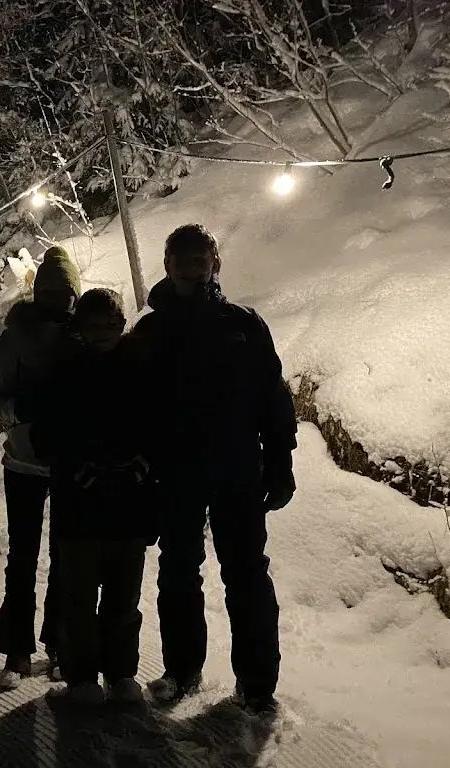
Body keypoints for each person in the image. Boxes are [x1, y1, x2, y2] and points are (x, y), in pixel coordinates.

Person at [134, 224, 297, 715]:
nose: (191, 268)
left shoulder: (244, 325)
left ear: (215, 264)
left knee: (246, 574)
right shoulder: (150, 332)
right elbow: (133, 409)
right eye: (181, 259)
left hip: (237, 469)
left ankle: (257, 685)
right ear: (167, 266)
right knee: (178, 572)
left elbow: (273, 397)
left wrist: (281, 460)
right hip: (174, 472)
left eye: (199, 258)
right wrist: (139, 472)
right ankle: (182, 671)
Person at [31, 288, 159, 706]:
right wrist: (76, 467)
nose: (103, 332)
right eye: (94, 324)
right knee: (79, 596)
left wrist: (144, 465)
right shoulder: (63, 372)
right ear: (80, 328)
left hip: (129, 500)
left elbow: (161, 426)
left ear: (122, 325)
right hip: (79, 502)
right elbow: (45, 434)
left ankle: (122, 674)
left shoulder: (142, 368)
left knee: (124, 596)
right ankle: (82, 676)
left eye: (111, 323)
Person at [0, 245, 81, 690]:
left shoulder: (84, 335)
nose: (57, 300)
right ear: (37, 292)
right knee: (22, 558)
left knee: (67, 557)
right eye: (49, 292)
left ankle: (60, 645)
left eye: (64, 292)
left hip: (71, 463)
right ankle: (17, 650)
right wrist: (25, 409)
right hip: (24, 462)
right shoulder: (15, 337)